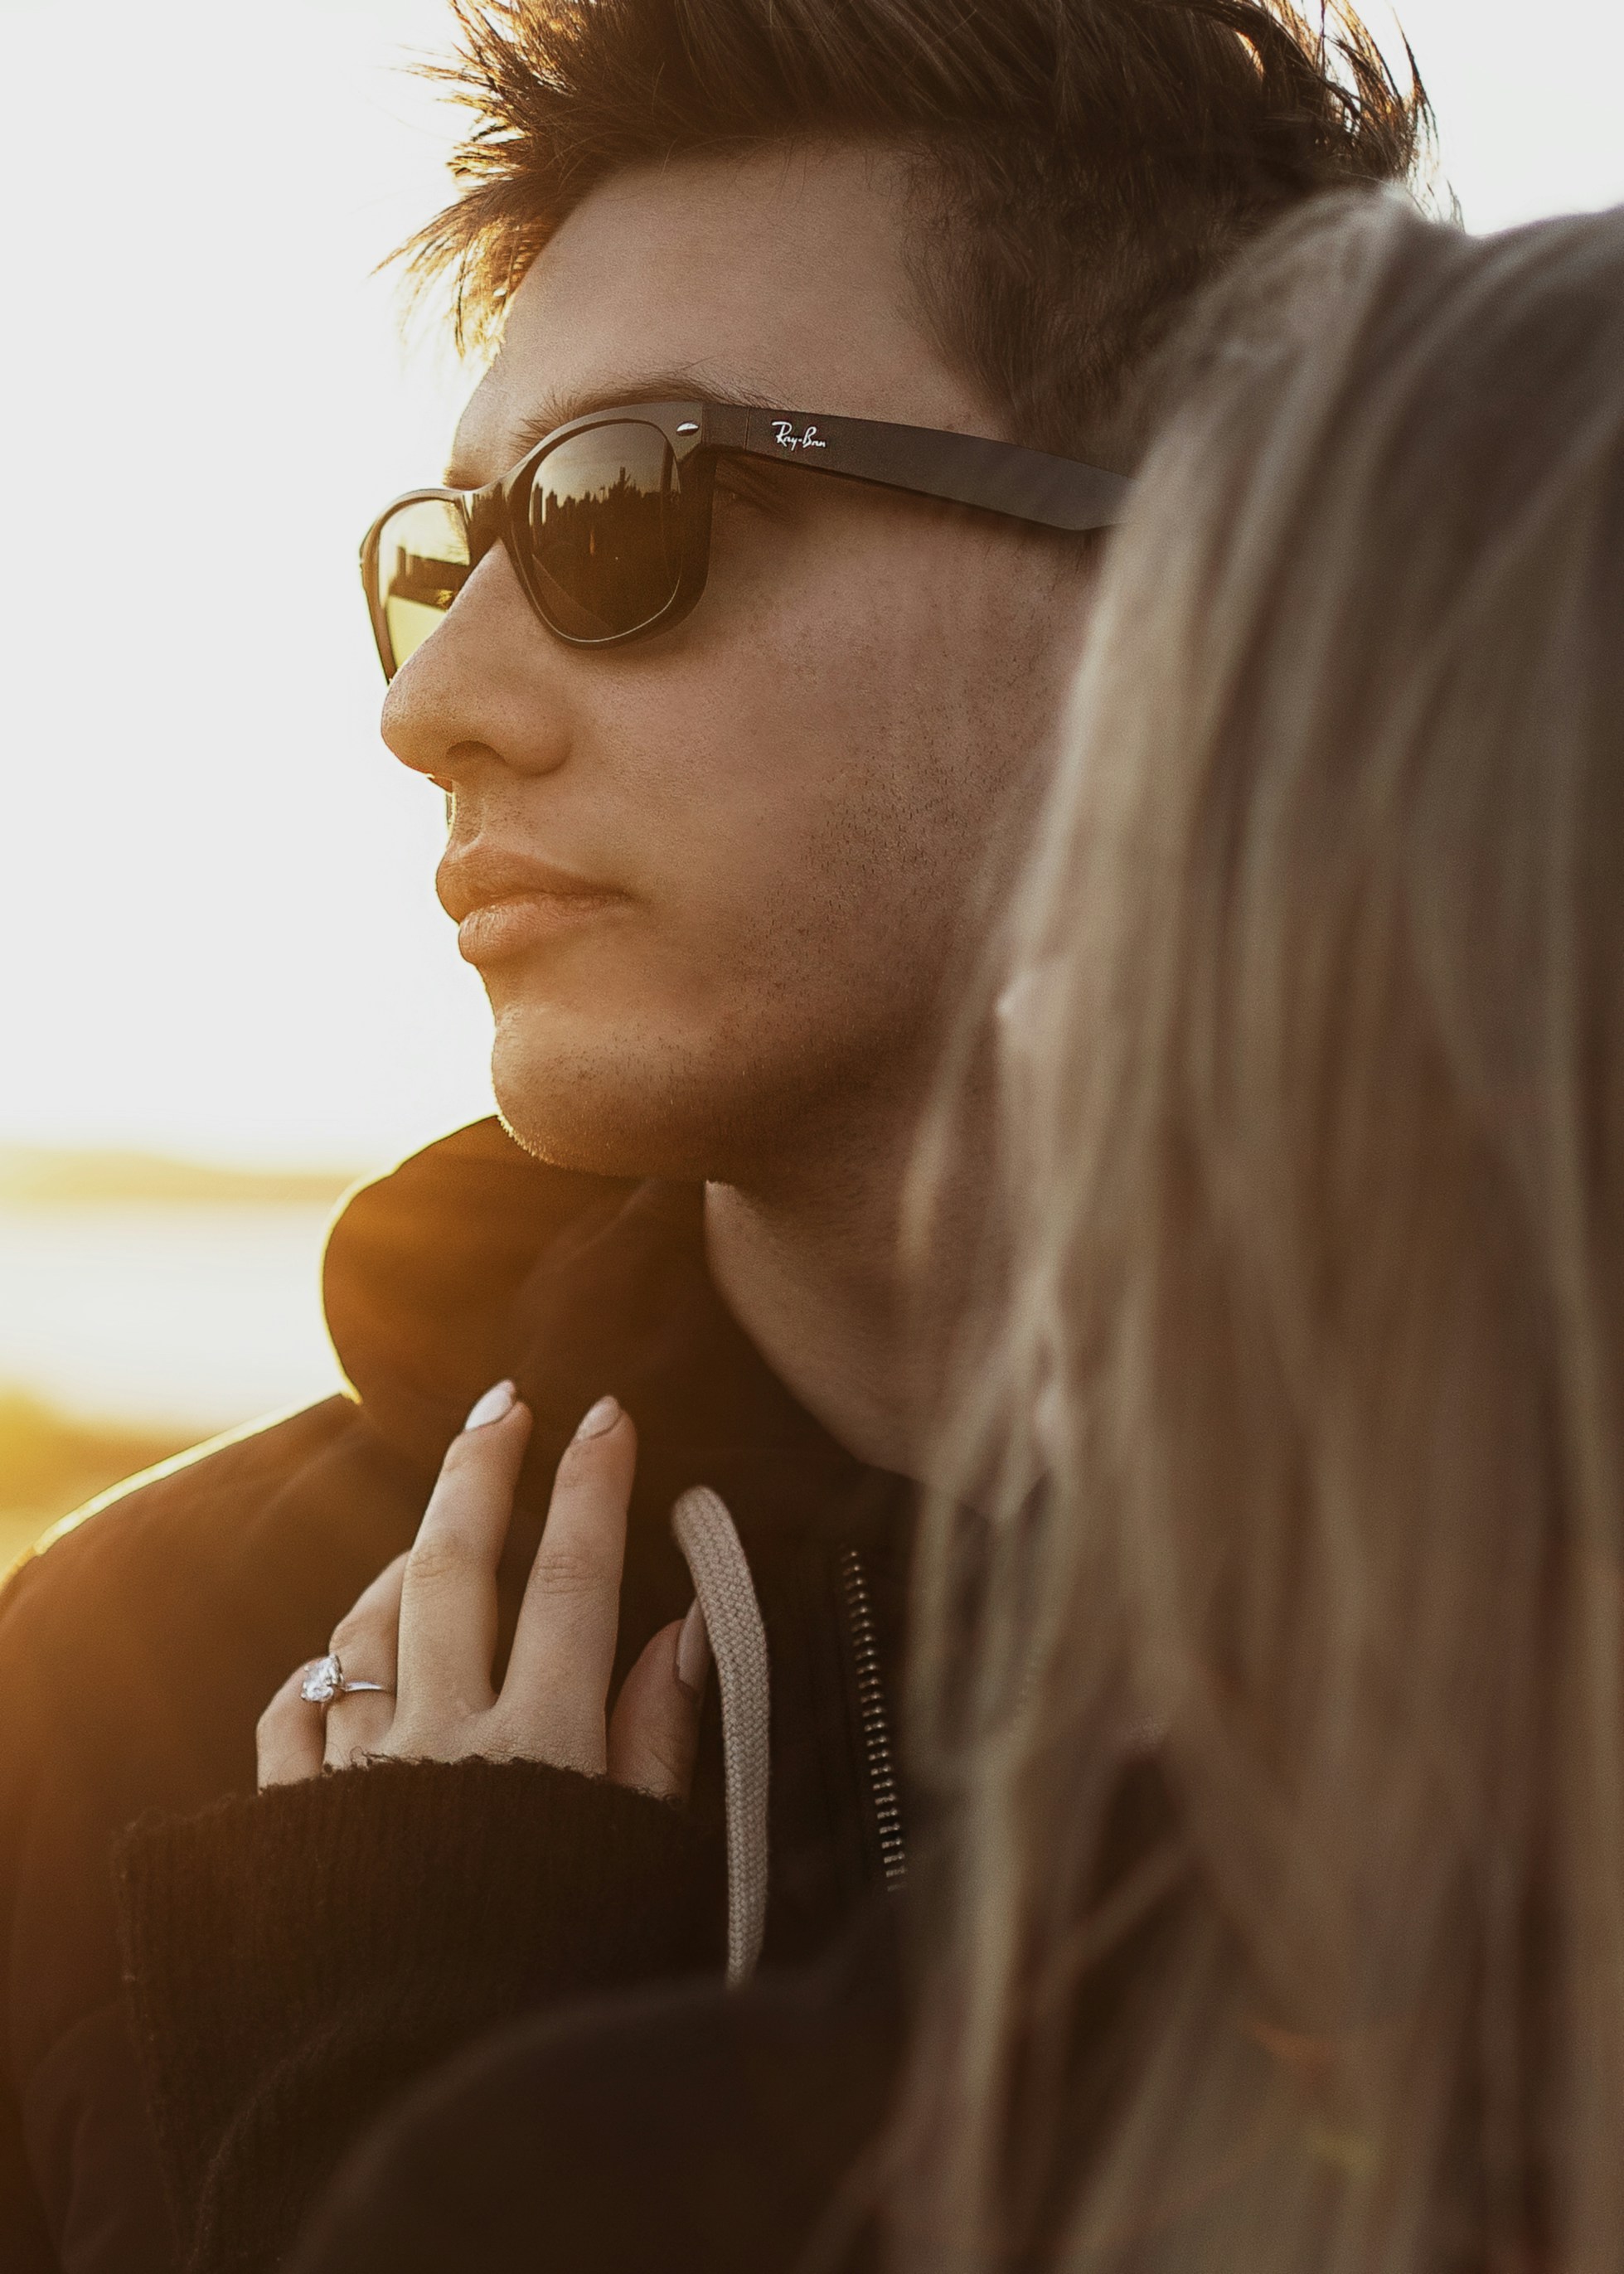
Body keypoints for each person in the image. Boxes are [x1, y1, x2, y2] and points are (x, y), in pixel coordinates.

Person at [0, 4, 1424, 2268]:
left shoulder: (1534, 1682)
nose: (426, 704)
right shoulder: (112, 1703)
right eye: (442, 549)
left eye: (615, 509)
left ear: (1205, 593)